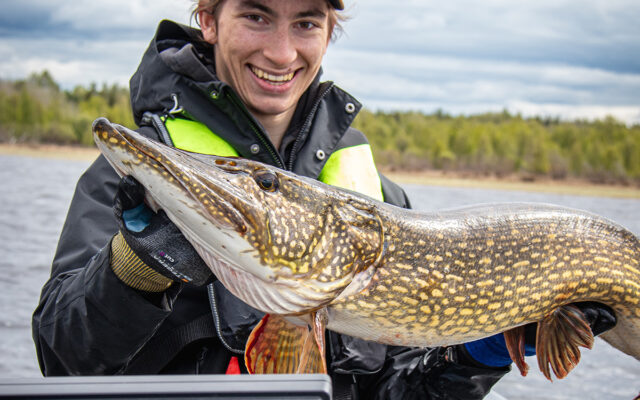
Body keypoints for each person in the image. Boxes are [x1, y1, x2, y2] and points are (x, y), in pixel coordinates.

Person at [32, 1, 616, 399]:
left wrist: (472, 357)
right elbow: (61, 362)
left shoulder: (375, 196)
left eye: (307, 23)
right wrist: (135, 268)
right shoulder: (129, 189)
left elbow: (399, 392)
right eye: (257, 16)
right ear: (208, 20)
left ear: (329, 32)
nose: (282, 54)